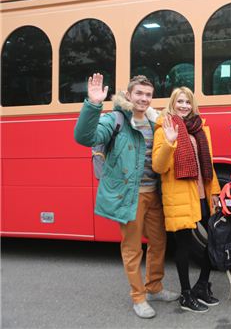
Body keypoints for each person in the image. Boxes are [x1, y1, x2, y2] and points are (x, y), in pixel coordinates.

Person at [74, 73, 178, 319]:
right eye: (139, 93)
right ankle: (139, 297)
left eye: (148, 94)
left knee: (159, 243)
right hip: (130, 196)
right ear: (129, 95)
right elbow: (84, 137)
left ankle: (154, 287)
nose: (143, 98)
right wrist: (93, 104)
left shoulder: (156, 123)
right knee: (132, 249)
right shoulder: (115, 119)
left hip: (155, 194)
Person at [152, 86, 221, 313]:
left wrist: (215, 193)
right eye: (180, 101)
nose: (184, 106)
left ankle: (202, 285)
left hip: (201, 195)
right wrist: (170, 142)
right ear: (173, 103)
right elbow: (159, 166)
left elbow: (207, 165)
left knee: (213, 243)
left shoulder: (200, 129)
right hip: (180, 196)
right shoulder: (164, 129)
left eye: (188, 102)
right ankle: (186, 294)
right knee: (184, 247)